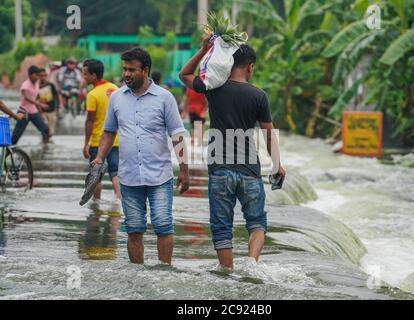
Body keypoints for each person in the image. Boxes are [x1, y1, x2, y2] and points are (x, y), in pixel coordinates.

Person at [179, 36, 286, 270]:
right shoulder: (259, 95)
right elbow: (269, 134)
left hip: (219, 168)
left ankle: (227, 273)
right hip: (249, 167)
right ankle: (250, 263)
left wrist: (202, 50)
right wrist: (277, 165)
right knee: (257, 223)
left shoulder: (214, 89)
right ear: (250, 67)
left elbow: (184, 75)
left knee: (221, 226)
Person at [90, 48, 190, 265]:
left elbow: (177, 134)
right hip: (129, 176)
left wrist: (184, 170)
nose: (126, 73)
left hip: (160, 176)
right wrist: (99, 158)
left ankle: (164, 271)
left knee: (163, 226)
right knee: (134, 229)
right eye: (124, 69)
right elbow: (109, 131)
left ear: (145, 70)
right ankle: (138, 274)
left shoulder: (165, 98)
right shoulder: (116, 98)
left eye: (131, 70)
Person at [82, 59, 121, 202]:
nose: (83, 77)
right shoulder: (115, 89)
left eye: (85, 74)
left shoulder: (92, 95)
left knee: (96, 175)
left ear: (93, 76)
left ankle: (96, 204)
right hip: (116, 140)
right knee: (115, 172)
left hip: (98, 141)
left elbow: (90, 121)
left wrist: (86, 143)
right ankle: (119, 200)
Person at [11, 66, 50, 145]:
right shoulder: (25, 84)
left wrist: (41, 112)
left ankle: (45, 146)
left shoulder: (36, 84)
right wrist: (39, 104)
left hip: (33, 111)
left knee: (45, 129)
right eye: (37, 75)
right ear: (31, 75)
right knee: (16, 135)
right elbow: (25, 97)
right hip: (24, 112)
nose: (38, 77)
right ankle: (8, 151)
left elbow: (37, 98)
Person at [38, 68, 59, 138]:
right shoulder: (36, 87)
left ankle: (47, 143)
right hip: (41, 111)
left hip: (51, 110)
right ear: (38, 76)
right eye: (41, 76)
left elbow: (56, 96)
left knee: (51, 131)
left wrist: (58, 106)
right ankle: (45, 143)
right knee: (44, 130)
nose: (43, 77)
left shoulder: (50, 85)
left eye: (44, 76)